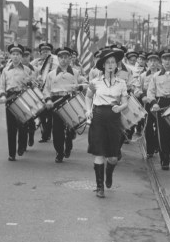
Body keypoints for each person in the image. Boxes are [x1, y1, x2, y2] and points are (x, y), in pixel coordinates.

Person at [85, 48, 128, 198]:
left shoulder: (121, 83)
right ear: (103, 65)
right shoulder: (95, 82)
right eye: (107, 62)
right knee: (99, 153)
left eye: (113, 62)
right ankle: (99, 186)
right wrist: (87, 110)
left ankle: (109, 173)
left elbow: (125, 102)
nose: (110, 65)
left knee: (113, 157)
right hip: (98, 117)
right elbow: (88, 97)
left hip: (114, 118)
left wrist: (120, 107)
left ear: (117, 65)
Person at [44, 46, 86, 163]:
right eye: (61, 57)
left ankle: (68, 145)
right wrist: (48, 100)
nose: (63, 60)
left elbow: (84, 81)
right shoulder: (51, 74)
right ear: (58, 59)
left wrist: (82, 86)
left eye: (66, 57)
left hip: (70, 100)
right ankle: (59, 152)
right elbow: (46, 89)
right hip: (56, 101)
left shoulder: (76, 73)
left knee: (70, 128)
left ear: (69, 59)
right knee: (57, 129)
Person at [0, 43, 34, 161]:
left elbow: (34, 84)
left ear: (21, 56)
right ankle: (11, 153)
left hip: (23, 97)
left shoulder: (27, 69)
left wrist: (30, 83)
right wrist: (2, 95)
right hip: (10, 98)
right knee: (11, 127)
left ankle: (22, 146)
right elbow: (1, 85)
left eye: (18, 54)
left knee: (23, 125)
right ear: (10, 56)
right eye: (13, 54)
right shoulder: (5, 70)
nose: (15, 57)